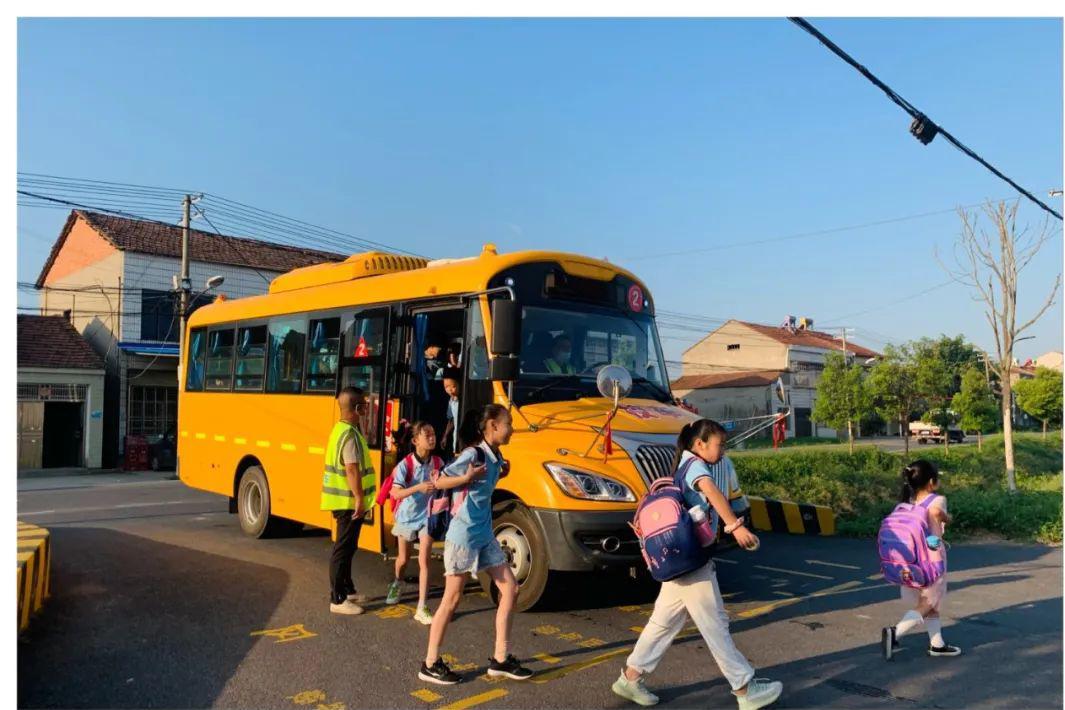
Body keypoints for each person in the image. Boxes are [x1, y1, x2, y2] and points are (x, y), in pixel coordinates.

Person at [611, 419, 783, 710]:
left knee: (663, 622)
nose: (723, 450)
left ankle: (630, 678)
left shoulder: (686, 464)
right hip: (692, 560)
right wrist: (735, 526)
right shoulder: (695, 466)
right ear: (700, 444)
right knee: (715, 624)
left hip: (681, 556)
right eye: (719, 445)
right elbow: (712, 491)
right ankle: (744, 689)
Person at [419, 404, 533, 685]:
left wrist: (500, 473)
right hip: (463, 537)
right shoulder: (473, 454)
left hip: (484, 535)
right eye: (509, 424)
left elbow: (482, 486)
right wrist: (466, 477)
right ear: (493, 426)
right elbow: (439, 481)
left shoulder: (495, 456)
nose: (512, 429)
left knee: (510, 589)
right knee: (452, 599)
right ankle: (430, 663)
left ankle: (500, 659)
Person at [881, 460, 960, 660]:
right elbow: (936, 513)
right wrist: (947, 518)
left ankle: (937, 645)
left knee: (930, 604)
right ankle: (895, 633)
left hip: (910, 563)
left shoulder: (905, 503)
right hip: (932, 562)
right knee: (929, 602)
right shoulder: (938, 500)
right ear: (932, 482)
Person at [321, 386, 375, 615]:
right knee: (342, 549)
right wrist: (359, 499)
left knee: (349, 546)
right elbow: (351, 469)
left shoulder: (341, 429)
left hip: (344, 500)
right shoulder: (349, 435)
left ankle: (347, 589)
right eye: (364, 405)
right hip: (347, 502)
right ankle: (337, 599)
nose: (367, 409)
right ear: (356, 408)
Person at [386, 421, 440, 624]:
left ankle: (421, 607)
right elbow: (395, 493)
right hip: (407, 516)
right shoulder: (406, 464)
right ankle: (397, 582)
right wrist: (419, 488)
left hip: (427, 516)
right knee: (403, 559)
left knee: (424, 560)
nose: (432, 438)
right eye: (428, 435)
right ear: (416, 440)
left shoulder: (438, 462)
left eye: (433, 434)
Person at [441, 369, 461, 459]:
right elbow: (451, 420)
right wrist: (445, 436)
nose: (449, 390)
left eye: (453, 386)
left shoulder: (464, 400)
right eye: (446, 387)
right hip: (456, 442)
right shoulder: (451, 401)